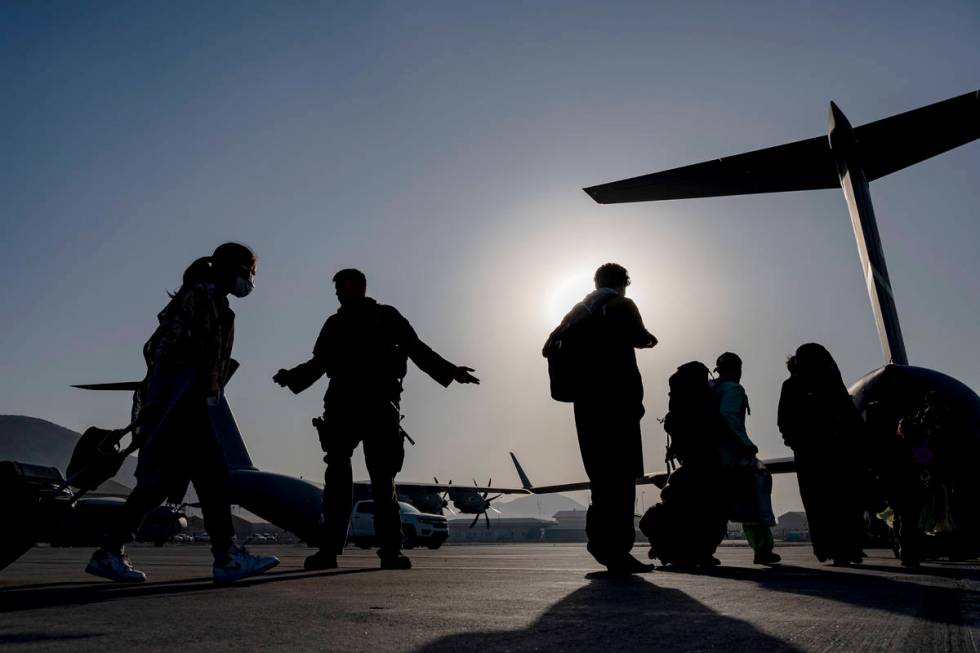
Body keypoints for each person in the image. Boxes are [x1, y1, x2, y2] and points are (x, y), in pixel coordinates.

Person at [86, 242, 280, 584]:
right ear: (230, 268)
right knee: (214, 475)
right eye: (248, 272)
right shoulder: (200, 298)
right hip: (182, 403)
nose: (249, 281)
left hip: (183, 402)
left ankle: (109, 551)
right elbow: (167, 351)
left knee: (159, 485)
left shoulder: (211, 300)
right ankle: (226, 557)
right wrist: (168, 398)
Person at [273, 269, 479, 571]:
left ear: (356, 286)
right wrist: (291, 377)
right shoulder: (336, 323)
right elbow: (320, 363)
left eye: (340, 287)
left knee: (381, 482)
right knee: (343, 481)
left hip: (377, 407)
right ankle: (334, 550)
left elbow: (416, 349)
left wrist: (450, 371)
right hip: (346, 407)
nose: (337, 294)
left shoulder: (383, 317)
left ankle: (387, 550)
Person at [543, 263, 657, 573]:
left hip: (586, 406)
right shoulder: (620, 304)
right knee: (621, 481)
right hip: (617, 404)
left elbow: (546, 348)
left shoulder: (576, 312)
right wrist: (648, 339)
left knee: (601, 479)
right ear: (623, 283)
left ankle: (602, 545)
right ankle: (618, 550)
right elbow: (641, 337)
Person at [777, 343, 865, 565]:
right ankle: (848, 547)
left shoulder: (793, 385)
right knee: (843, 499)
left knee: (820, 501)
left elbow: (784, 420)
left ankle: (833, 548)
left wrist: (796, 442)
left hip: (812, 454)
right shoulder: (831, 383)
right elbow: (850, 416)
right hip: (834, 451)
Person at [710, 352, 780, 565]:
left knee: (716, 505)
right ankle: (762, 548)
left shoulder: (711, 389)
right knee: (753, 498)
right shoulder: (733, 389)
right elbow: (729, 416)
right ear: (736, 369)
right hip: (732, 457)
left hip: (709, 456)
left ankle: (702, 549)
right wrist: (746, 444)